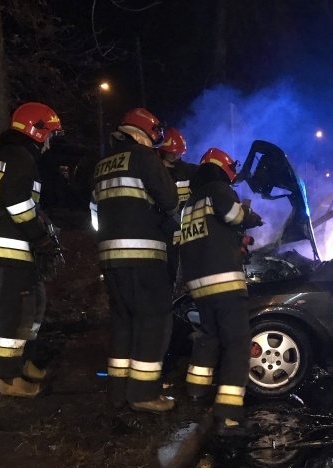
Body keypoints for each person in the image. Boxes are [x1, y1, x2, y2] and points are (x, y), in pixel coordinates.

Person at [90, 108, 179, 413]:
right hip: (144, 256)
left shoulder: (102, 165)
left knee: (123, 324)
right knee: (154, 320)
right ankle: (143, 394)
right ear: (143, 133)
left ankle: (117, 393)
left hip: (110, 259)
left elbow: (94, 210)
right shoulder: (144, 157)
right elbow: (169, 200)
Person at [0, 102, 64, 397]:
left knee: (33, 304)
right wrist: (40, 237)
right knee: (13, 312)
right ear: (36, 130)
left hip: (4, 247)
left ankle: (24, 363)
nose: (50, 142)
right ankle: (6, 378)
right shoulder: (20, 157)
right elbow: (18, 204)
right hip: (11, 248)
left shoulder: (1, 156)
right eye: (49, 134)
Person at [178, 148, 264, 436]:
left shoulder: (190, 203)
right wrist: (251, 215)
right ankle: (228, 415)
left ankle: (195, 393)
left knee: (209, 337)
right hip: (225, 283)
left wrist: (238, 241)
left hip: (199, 285)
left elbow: (209, 236)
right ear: (224, 168)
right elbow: (233, 214)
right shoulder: (219, 189)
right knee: (237, 344)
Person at [157, 127, 198, 286]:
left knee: (177, 273)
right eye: (171, 152)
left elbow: (207, 175)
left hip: (181, 231)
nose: (175, 156)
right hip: (160, 230)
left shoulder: (188, 171)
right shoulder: (154, 171)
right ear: (162, 151)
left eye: (178, 153)